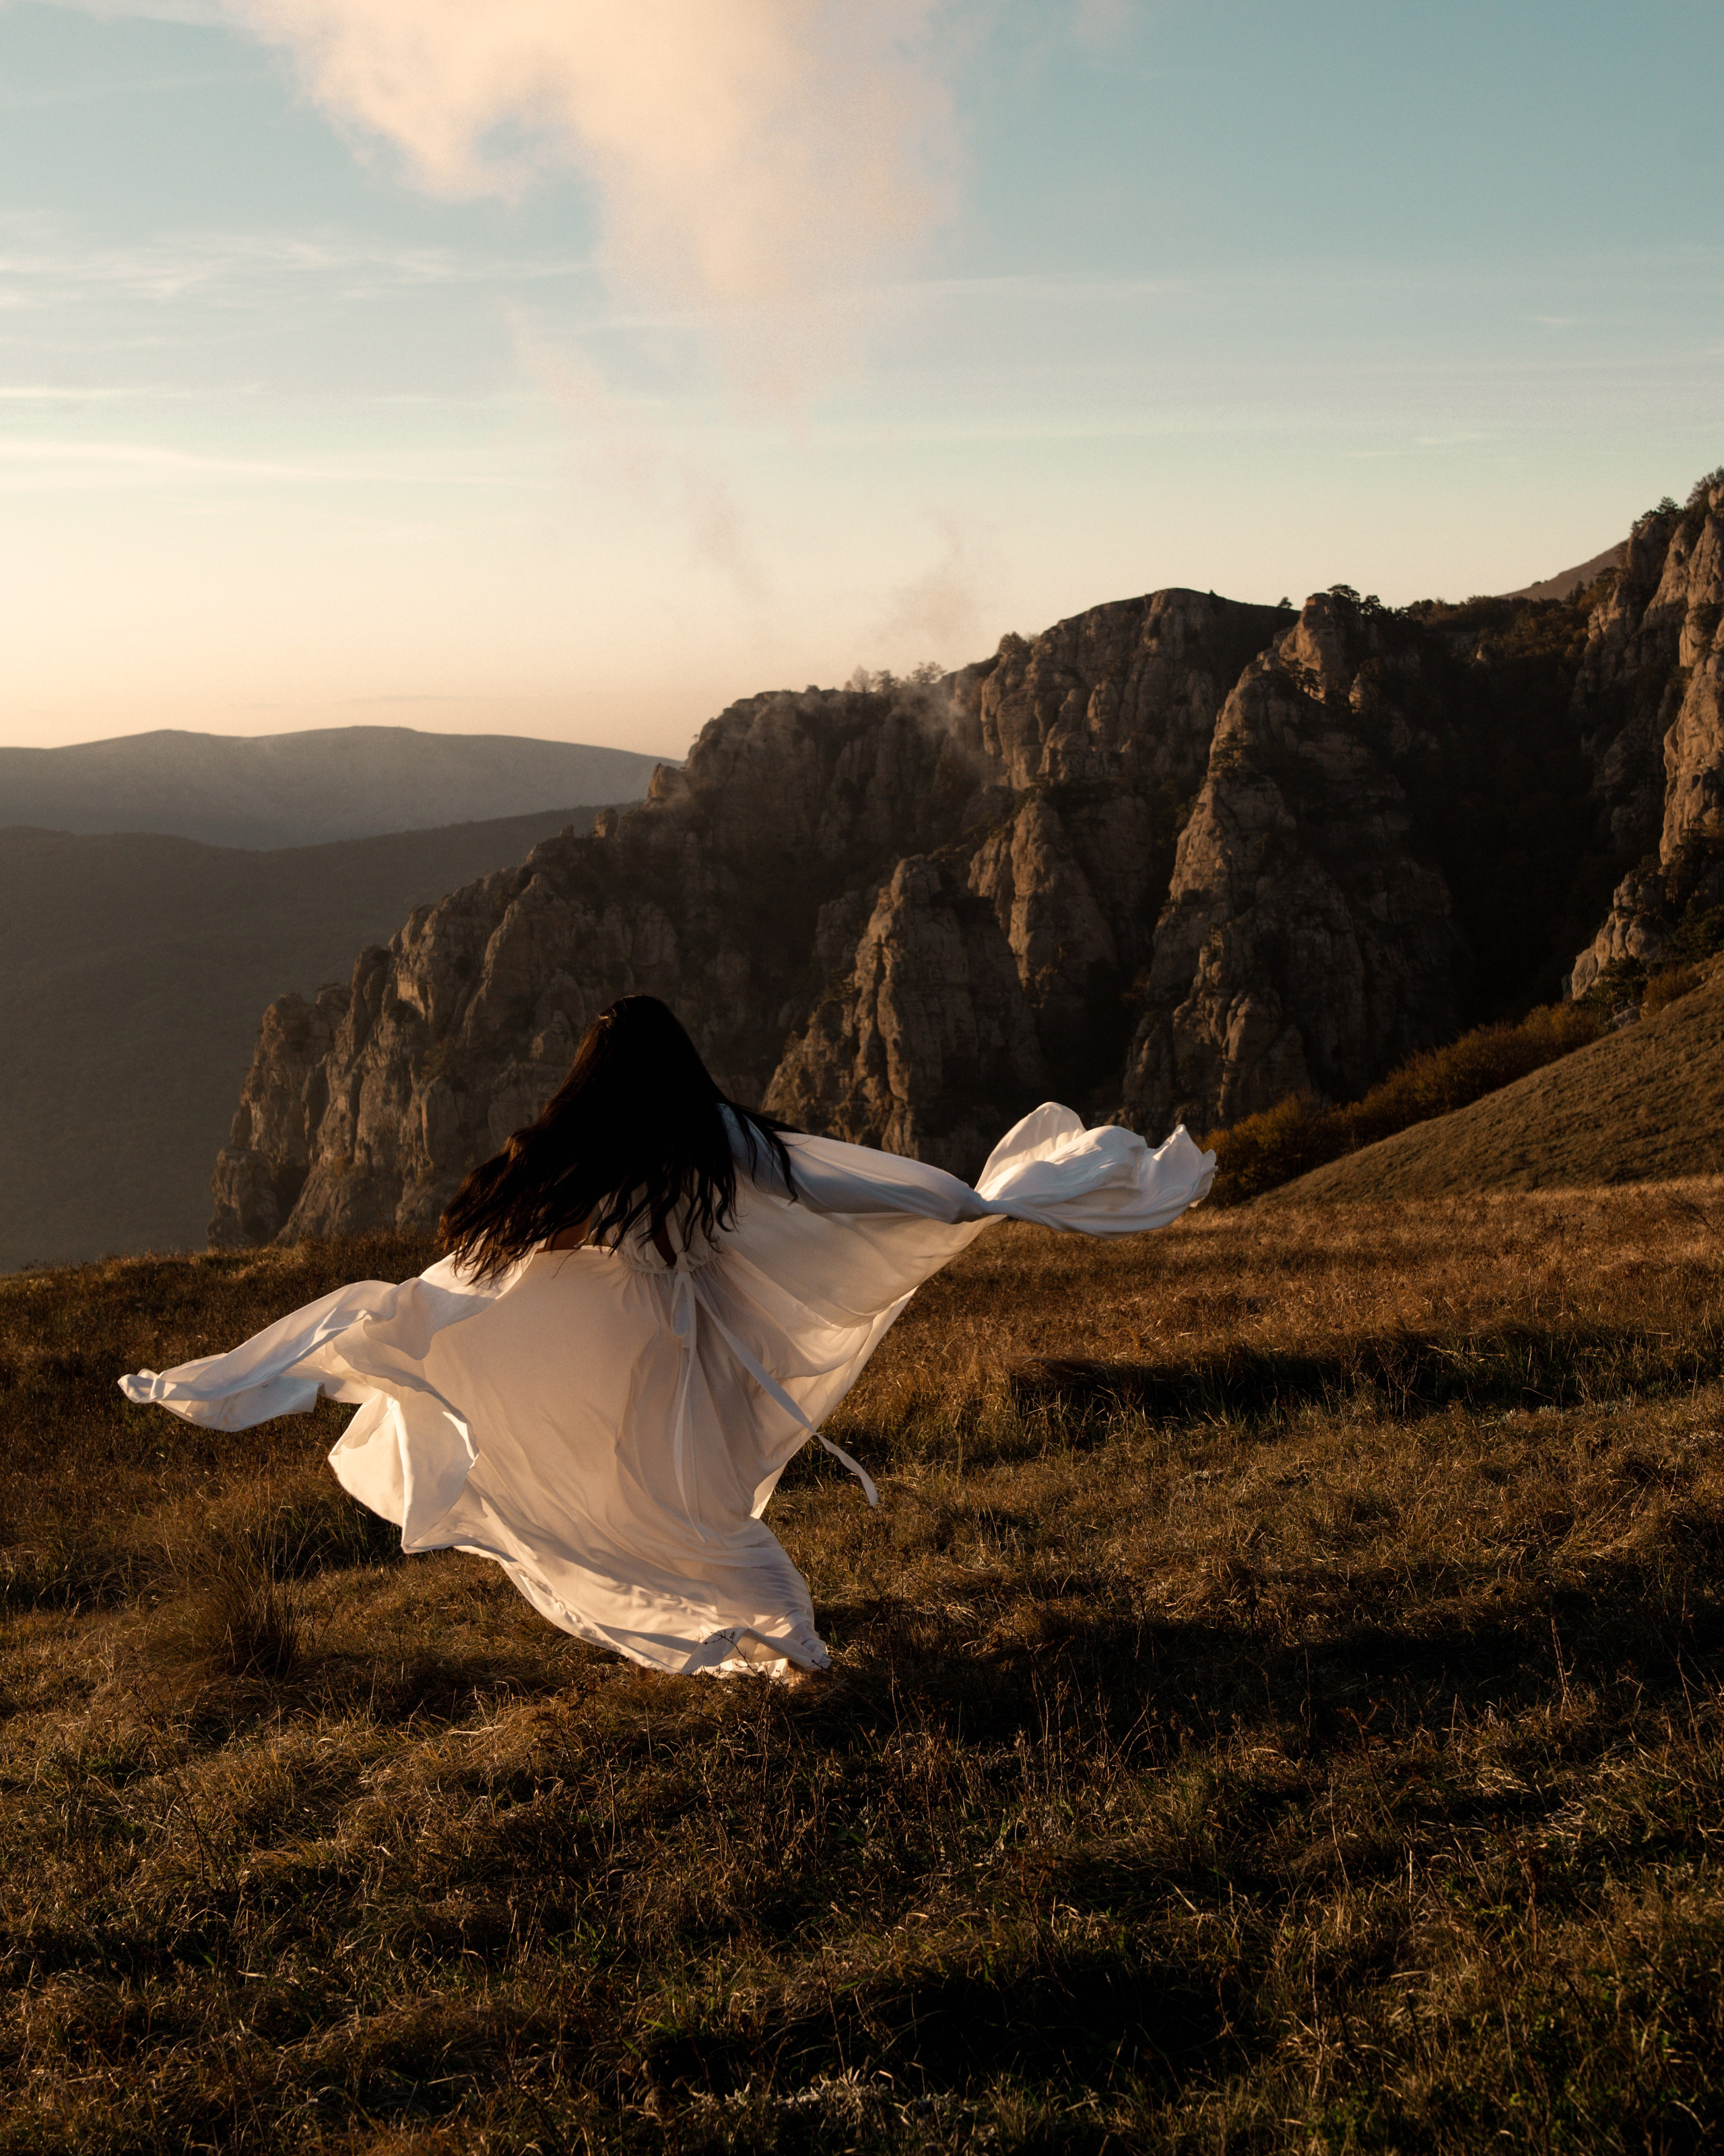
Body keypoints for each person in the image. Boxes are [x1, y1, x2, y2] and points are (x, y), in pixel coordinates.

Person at [122, 996, 1214, 1678]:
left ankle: (765, 1635)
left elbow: (471, 1257)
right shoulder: (691, 1138)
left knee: (673, 1503)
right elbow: (829, 1185)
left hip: (642, 1350)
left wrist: (972, 1205)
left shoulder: (605, 1146)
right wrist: (968, 1204)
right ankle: (779, 1638)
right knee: (689, 1503)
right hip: (664, 1354)